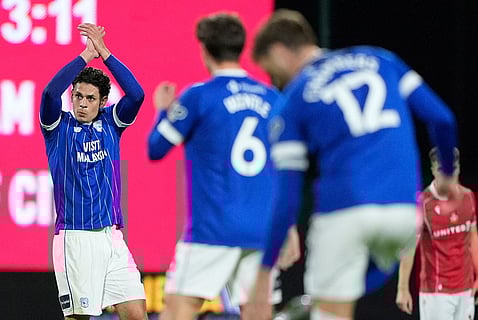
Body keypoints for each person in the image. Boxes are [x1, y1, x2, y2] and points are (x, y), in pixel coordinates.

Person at [243, 9, 459, 320]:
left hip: (344, 214)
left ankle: (310, 308)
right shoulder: (383, 60)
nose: (277, 82)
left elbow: (288, 197)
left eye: (273, 73)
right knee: (356, 280)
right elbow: (442, 119)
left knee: (330, 310)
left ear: (278, 51)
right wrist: (448, 177)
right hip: (403, 217)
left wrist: (263, 274)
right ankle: (311, 305)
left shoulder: (294, 99)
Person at [146, 12, 293, 320]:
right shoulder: (272, 98)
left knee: (177, 312)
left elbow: (156, 148)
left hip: (212, 231)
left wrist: (162, 112)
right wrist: (289, 225)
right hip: (262, 230)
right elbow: (287, 166)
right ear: (241, 47)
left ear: (204, 49)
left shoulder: (199, 97)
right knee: (258, 314)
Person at [39, 23, 147, 319]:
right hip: (75, 238)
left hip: (111, 239)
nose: (82, 104)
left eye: (90, 99)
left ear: (102, 103)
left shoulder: (111, 124)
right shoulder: (57, 128)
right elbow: (50, 93)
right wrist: (87, 55)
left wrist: (106, 53)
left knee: (137, 314)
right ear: (71, 96)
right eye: (78, 96)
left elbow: (136, 95)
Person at [396, 147, 478, 320]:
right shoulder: (423, 204)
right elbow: (409, 248)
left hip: (466, 290)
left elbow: (472, 237)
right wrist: (402, 289)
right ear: (433, 170)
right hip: (436, 292)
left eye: (452, 169)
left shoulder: (468, 197)